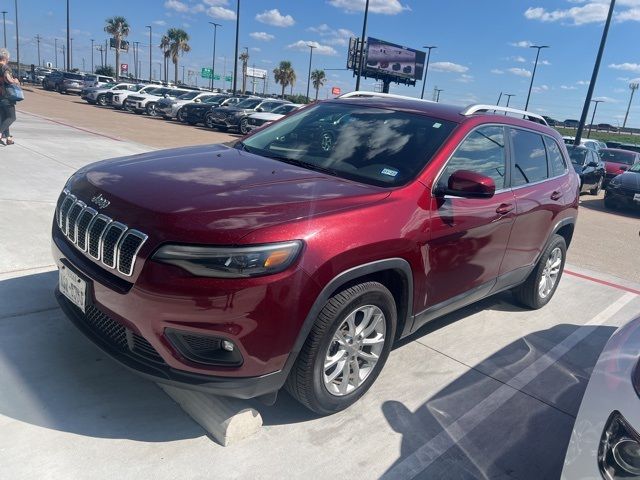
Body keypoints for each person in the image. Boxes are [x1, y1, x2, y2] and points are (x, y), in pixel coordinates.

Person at [0, 48, 19, 146]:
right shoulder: (5, 67)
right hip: (6, 96)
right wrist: (14, 81)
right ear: (5, 57)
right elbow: (8, 78)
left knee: (4, 118)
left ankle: (8, 138)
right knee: (11, 117)